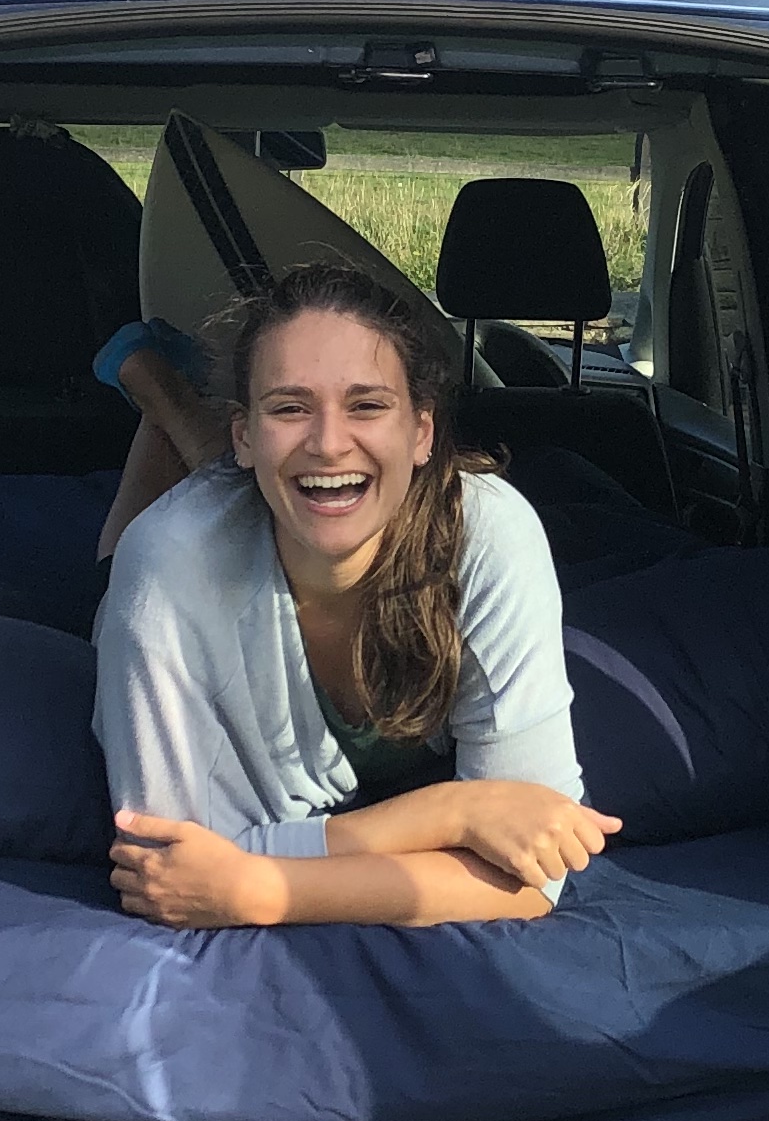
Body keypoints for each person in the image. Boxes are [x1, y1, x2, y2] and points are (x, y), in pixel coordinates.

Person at [91, 257, 616, 927]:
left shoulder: (489, 533)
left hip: (260, 506)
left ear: (422, 432)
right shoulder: (166, 567)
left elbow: (535, 877)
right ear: (246, 433)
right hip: (153, 576)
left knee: (299, 483)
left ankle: (182, 402)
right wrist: (453, 810)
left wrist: (258, 890)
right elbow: (170, 872)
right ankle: (153, 381)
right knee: (141, 547)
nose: (332, 439)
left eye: (368, 404)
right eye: (290, 405)